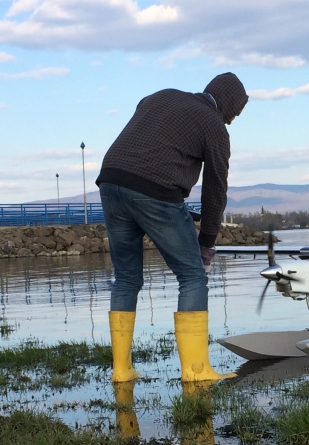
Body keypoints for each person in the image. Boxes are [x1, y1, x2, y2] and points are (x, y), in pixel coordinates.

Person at [96, 73, 248, 383]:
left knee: (126, 278)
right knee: (192, 276)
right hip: (156, 189)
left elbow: (146, 120)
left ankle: (121, 370)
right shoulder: (215, 126)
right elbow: (215, 189)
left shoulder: (162, 95)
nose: (232, 121)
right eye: (235, 113)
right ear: (229, 105)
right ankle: (195, 372)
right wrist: (206, 242)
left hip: (111, 179)